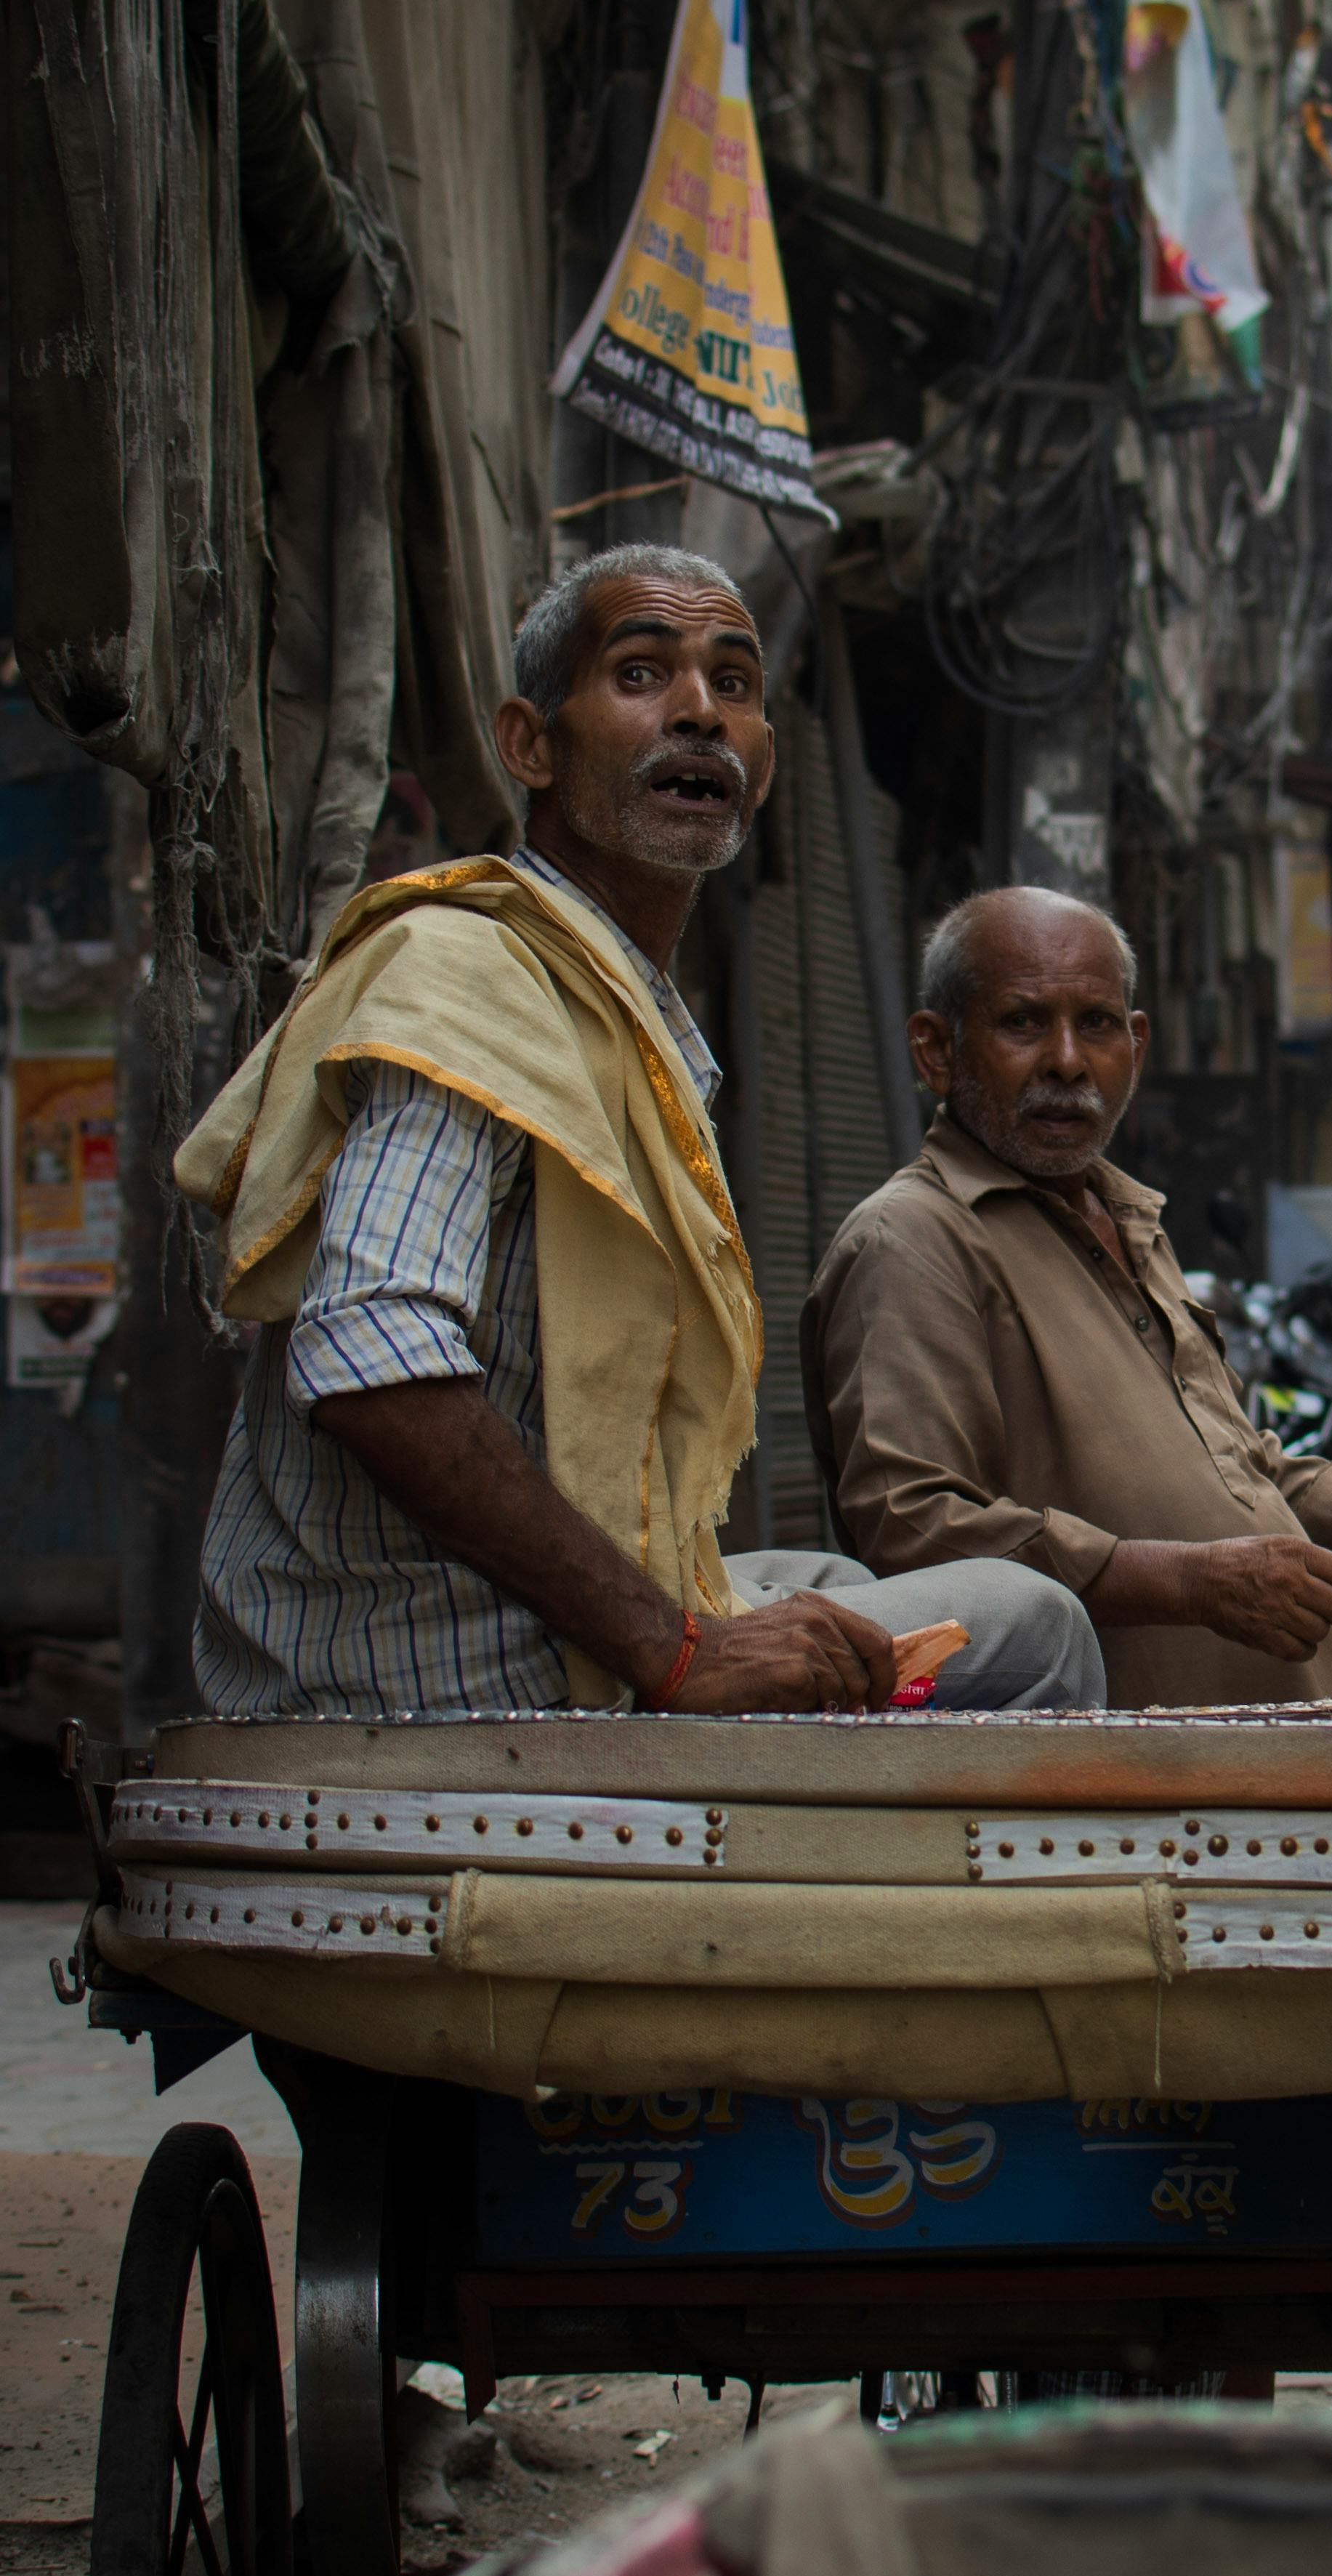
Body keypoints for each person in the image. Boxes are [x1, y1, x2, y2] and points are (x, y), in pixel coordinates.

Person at [180, 546, 1102, 1719]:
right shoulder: (471, 973)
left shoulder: (632, 1012)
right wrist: (676, 1649)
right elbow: (372, 1358)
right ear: (530, 744)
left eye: (733, 682)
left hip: (521, 1620)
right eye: (639, 672)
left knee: (851, 1589)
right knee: (1034, 1624)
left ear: (764, 760)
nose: (698, 714)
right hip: (434, 1664)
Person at [802, 886, 1332, 1709]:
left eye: (1097, 1024)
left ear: (1136, 1043)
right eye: (1021, 1022)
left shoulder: (1127, 1219)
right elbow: (914, 1530)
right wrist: (1186, 1583)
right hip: (1098, 1798)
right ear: (936, 1050)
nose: (1067, 1061)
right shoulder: (912, 1241)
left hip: (1252, 1771)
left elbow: (1232, 1459)